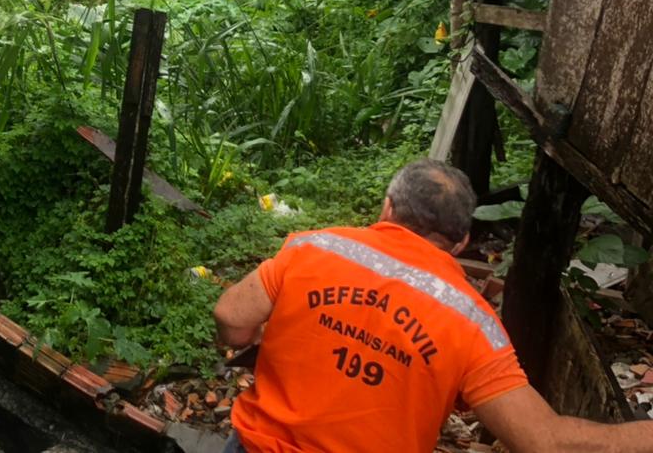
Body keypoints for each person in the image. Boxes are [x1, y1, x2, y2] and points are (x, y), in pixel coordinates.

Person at [213, 159, 653, 453]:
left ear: (387, 207)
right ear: (461, 240)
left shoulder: (314, 248)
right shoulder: (473, 323)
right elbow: (546, 441)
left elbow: (231, 320)